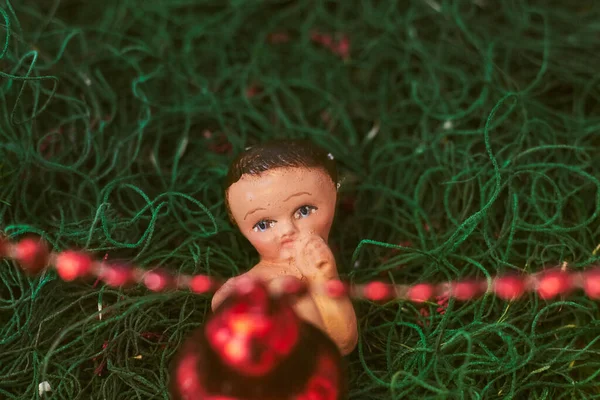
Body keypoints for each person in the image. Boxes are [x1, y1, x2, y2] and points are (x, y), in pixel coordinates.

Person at [211, 139, 358, 356]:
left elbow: (342, 342)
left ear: (333, 198)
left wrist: (324, 278)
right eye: (264, 225)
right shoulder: (249, 282)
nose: (287, 230)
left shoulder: (319, 269)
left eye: (304, 211)